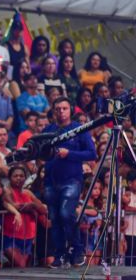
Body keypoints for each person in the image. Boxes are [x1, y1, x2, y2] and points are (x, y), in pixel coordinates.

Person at [43, 96, 96, 268]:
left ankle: (77, 249)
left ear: (70, 110)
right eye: (58, 109)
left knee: (66, 214)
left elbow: (92, 154)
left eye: (64, 108)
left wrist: (70, 154)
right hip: (51, 179)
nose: (61, 112)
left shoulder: (79, 129)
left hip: (72, 179)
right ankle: (60, 254)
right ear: (53, 111)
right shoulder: (49, 129)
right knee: (55, 218)